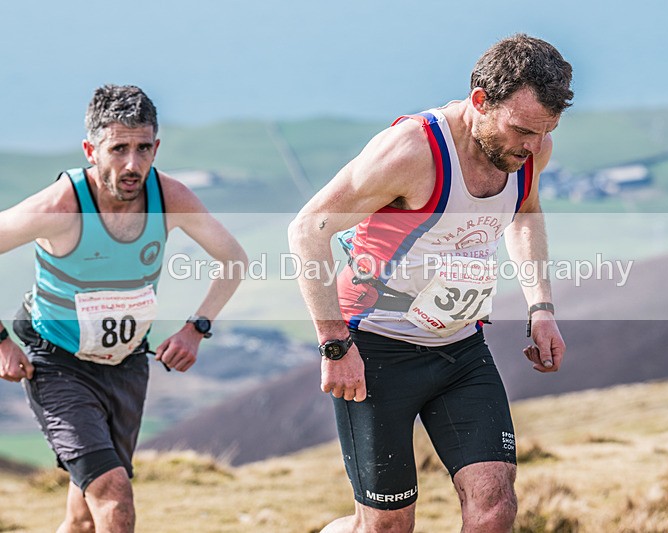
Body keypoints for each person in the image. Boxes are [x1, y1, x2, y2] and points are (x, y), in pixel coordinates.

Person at [289, 34, 571, 532]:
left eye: (545, 131)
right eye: (522, 129)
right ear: (481, 101)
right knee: (386, 526)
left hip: (460, 349)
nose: (532, 147)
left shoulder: (531, 151)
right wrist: (334, 344)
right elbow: (307, 230)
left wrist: (540, 306)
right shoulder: (410, 152)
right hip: (376, 349)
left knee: (495, 505)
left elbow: (526, 213)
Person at [0, 84, 247, 533]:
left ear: (157, 146)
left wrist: (197, 328)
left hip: (126, 364)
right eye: (118, 149)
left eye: (143, 148)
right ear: (90, 149)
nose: (133, 164)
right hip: (56, 364)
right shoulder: (60, 206)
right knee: (115, 498)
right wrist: (1, 342)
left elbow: (233, 260)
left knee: (82, 520)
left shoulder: (169, 197)